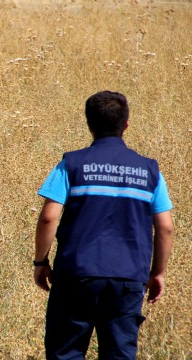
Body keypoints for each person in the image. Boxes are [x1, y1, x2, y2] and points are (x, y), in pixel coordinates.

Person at [32, 91, 174, 359]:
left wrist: (41, 262)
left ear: (89, 124)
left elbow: (49, 217)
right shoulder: (149, 171)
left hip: (76, 275)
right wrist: (157, 273)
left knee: (66, 352)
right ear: (127, 124)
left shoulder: (71, 164)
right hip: (128, 277)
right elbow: (165, 227)